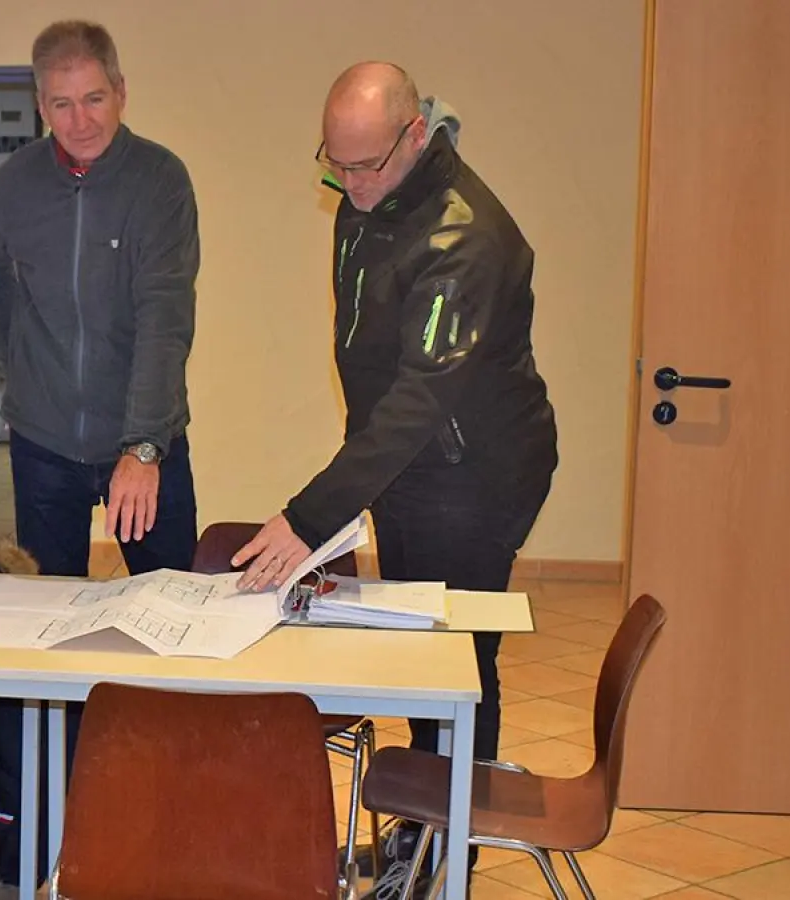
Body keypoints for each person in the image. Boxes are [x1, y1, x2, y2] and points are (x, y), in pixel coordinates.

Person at [232, 61, 558, 891]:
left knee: (458, 659)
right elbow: (373, 367)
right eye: (335, 165)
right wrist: (358, 486)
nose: (350, 185)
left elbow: (418, 400)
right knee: (420, 652)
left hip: (475, 474)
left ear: (416, 135)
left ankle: (448, 855)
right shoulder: (370, 193)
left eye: (366, 166)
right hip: (412, 465)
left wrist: (310, 517)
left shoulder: (465, 238)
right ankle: (425, 826)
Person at [0, 19, 201, 580]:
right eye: (62, 104)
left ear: (121, 91)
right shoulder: (10, 185)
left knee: (169, 596)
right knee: (46, 605)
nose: (81, 121)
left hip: (145, 438)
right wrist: (20, 362)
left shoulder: (160, 181)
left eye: (94, 99)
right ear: (41, 105)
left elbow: (164, 316)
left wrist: (143, 447)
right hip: (43, 444)